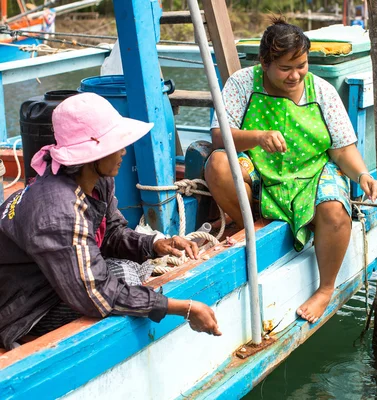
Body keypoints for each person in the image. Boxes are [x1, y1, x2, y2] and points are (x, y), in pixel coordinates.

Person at [0, 93, 220, 350]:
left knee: (126, 275)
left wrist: (155, 244)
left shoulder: (95, 180)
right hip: (24, 308)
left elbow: (111, 233)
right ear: (90, 156)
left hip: (50, 282)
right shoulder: (58, 212)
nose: (124, 151)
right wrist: (182, 307)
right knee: (125, 277)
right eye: (115, 145)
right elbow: (98, 295)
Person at [205, 18, 377, 324]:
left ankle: (325, 289)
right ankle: (252, 221)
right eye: (285, 68)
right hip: (260, 169)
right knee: (218, 165)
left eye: (301, 65)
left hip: (311, 171)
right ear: (264, 63)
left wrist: (364, 176)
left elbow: (342, 149)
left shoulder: (323, 92)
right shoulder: (241, 83)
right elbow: (218, 136)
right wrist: (258, 137)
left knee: (334, 211)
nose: (295, 75)